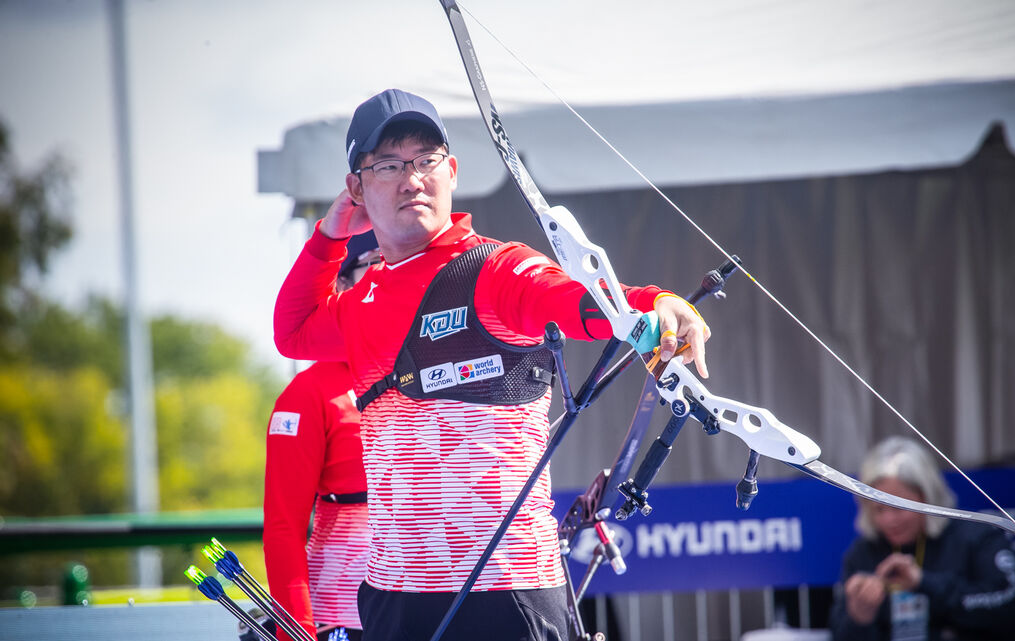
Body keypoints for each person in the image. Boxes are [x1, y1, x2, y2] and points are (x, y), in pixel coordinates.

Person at [273, 88, 711, 641]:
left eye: (426, 160)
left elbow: (581, 300)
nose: (412, 178)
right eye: (387, 164)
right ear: (357, 188)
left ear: (451, 170)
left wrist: (655, 301)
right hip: (395, 597)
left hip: (504, 595)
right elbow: (291, 331)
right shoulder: (363, 302)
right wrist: (332, 233)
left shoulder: (495, 269)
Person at [263, 233, 380, 641]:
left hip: (433, 602)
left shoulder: (427, 376)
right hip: (342, 614)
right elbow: (283, 528)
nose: (389, 280)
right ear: (343, 286)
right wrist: (296, 629)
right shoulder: (307, 393)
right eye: (376, 267)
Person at [830, 436, 1015, 641]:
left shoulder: (979, 537)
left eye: (898, 506)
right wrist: (859, 617)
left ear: (928, 497)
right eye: (879, 509)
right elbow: (838, 634)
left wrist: (924, 582)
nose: (889, 520)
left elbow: (1009, 606)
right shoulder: (863, 552)